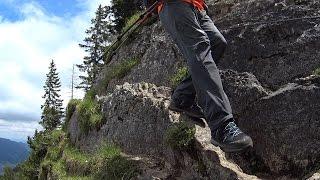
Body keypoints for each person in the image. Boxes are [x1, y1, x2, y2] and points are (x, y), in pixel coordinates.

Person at [146, 0, 253, 152]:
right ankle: (221, 127)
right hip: (173, 4)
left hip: (197, 6)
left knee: (218, 43)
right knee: (199, 48)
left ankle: (182, 97)